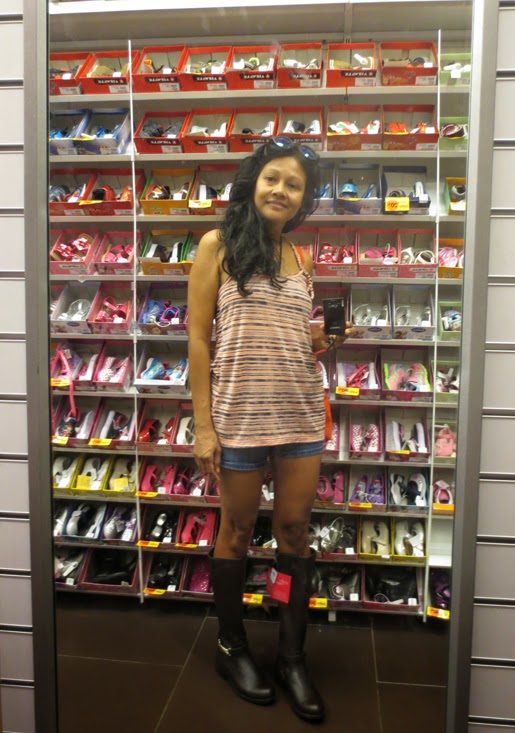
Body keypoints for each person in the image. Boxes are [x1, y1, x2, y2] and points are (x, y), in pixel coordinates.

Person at [187, 137, 353, 723]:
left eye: (294, 185)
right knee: (235, 532)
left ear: (304, 199)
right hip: (238, 417)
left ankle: (290, 655)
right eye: (272, 178)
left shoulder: (301, 259)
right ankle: (231, 649)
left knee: (294, 533)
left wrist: (322, 340)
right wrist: (203, 427)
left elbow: (290, 340)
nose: (281, 190)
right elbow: (199, 338)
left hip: (300, 415)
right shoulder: (217, 246)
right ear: (253, 182)